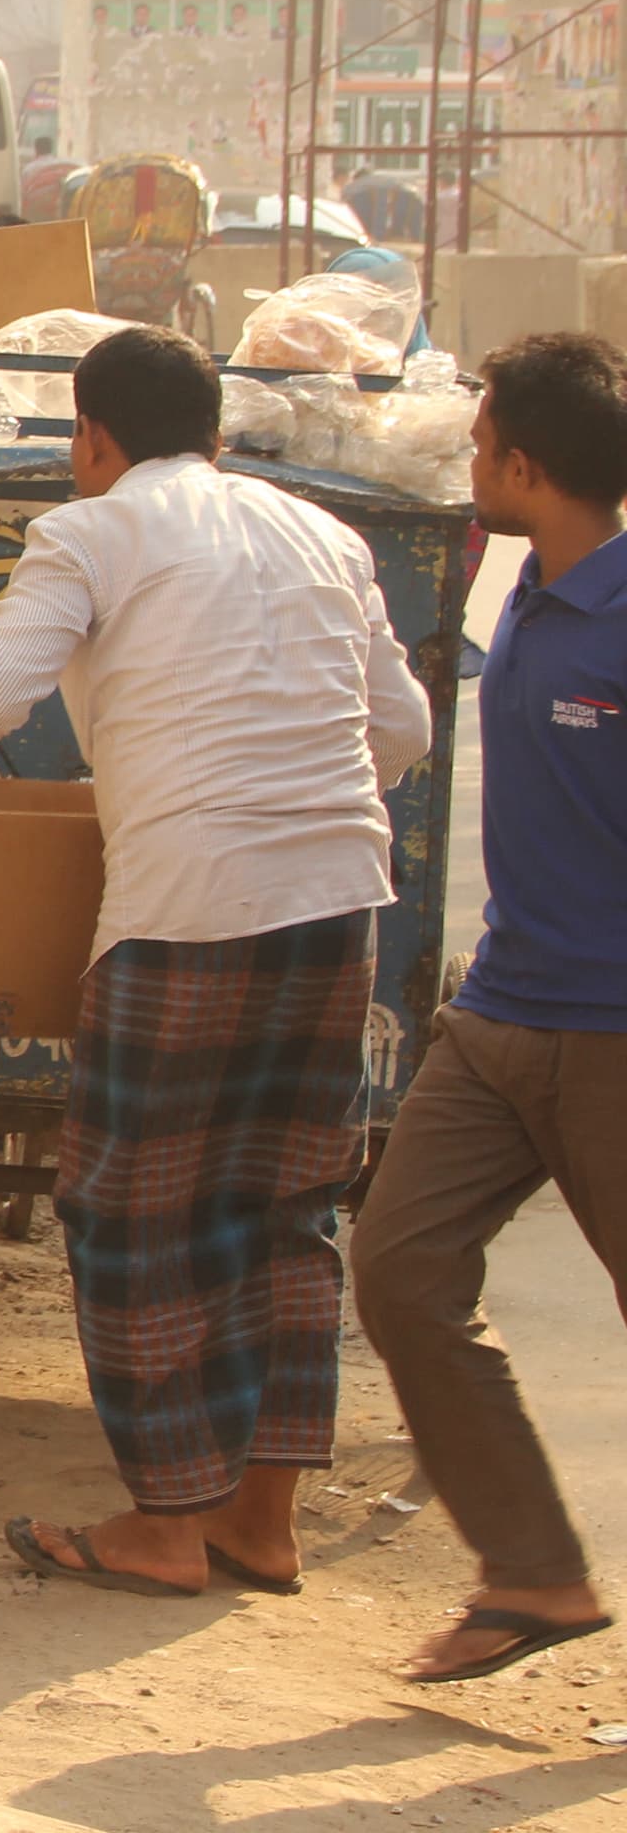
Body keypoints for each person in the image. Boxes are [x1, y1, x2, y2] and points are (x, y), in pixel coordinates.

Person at [0, 324, 432, 1599]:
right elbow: (401, 727)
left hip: (184, 907)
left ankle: (164, 1522)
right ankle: (262, 1520)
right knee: (283, 1206)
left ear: (91, 440)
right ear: (215, 431)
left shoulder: (89, 532)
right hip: (336, 902)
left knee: (128, 1208)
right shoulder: (325, 534)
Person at [351, 332, 626, 1682]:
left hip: (612, 1032)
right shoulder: (523, 589)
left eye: (479, 444)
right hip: (500, 1011)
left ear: (525, 464)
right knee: (399, 1268)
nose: (467, 463)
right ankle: (533, 1571)